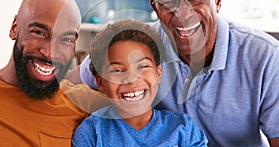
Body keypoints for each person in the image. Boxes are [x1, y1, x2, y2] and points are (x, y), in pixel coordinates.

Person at [72, 0, 279, 146]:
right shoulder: (138, 45)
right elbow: (70, 82)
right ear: (156, 8)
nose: (182, 13)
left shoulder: (266, 57)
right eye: (168, 2)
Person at [0, 0, 109, 146]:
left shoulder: (83, 102)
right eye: (39, 33)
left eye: (66, 39)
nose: (50, 54)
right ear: (14, 28)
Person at [72, 19, 208, 146]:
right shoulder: (92, 132)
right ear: (100, 83)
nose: (131, 79)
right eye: (117, 70)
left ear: (159, 73)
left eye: (143, 66)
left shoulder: (184, 129)